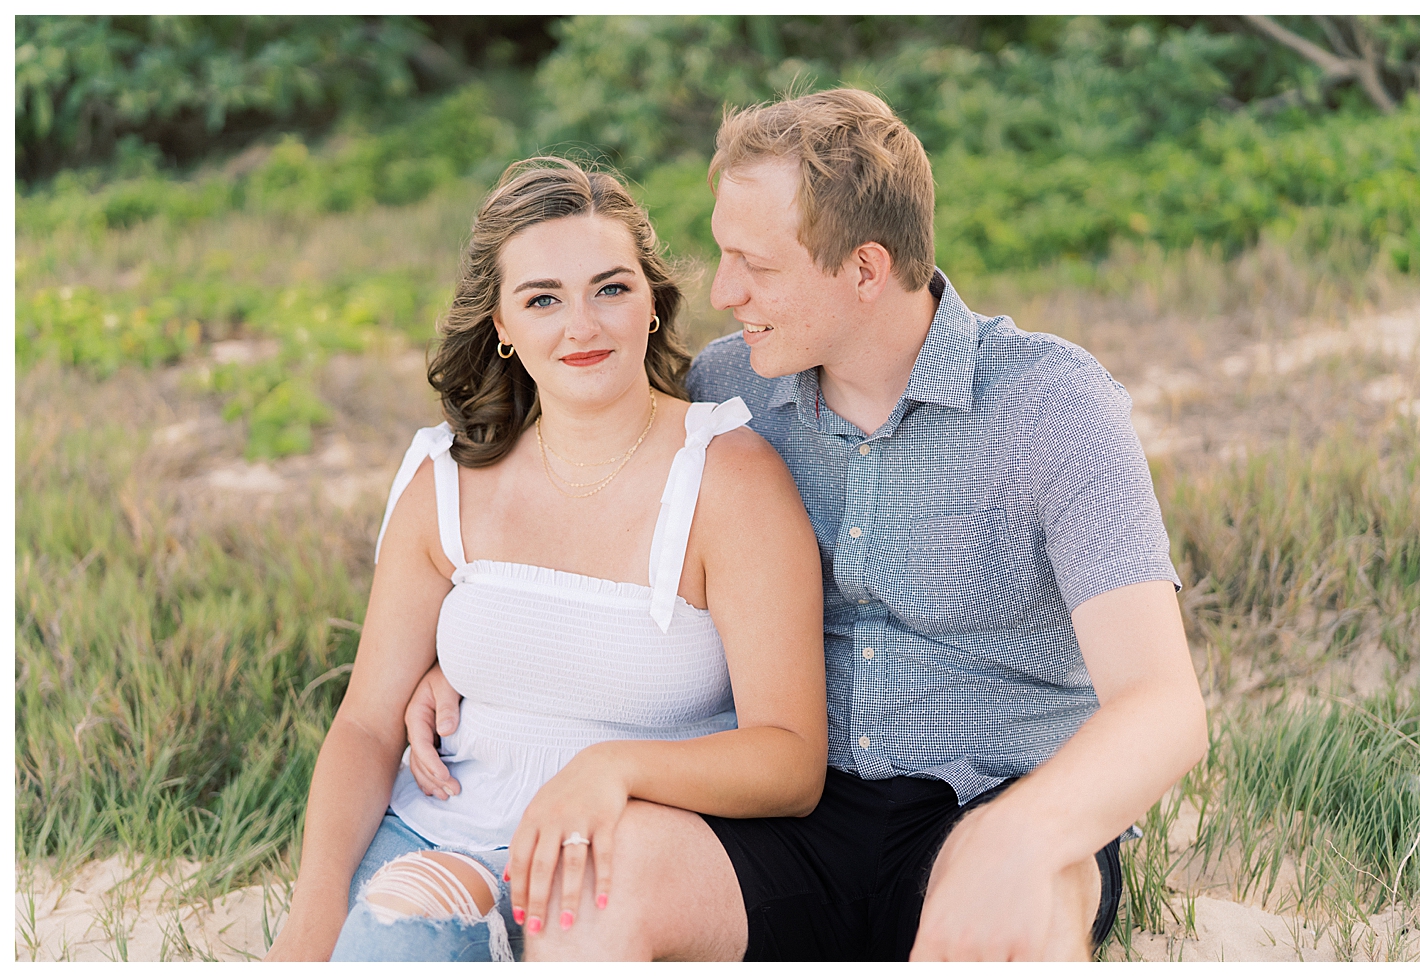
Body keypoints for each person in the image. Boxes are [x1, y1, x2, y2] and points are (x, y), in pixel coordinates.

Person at [406, 89, 1209, 961]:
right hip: (785, 814)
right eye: (722, 253)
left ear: (865, 269)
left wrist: (1019, 833)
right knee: (593, 886)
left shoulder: (1052, 405)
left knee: (1019, 911)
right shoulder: (725, 393)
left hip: (993, 800)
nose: (720, 290)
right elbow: (586, 517)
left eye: (756, 264)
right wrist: (460, 662)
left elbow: (1163, 706)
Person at [265, 157, 827, 962]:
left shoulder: (728, 479)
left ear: (653, 303)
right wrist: (309, 920)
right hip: (432, 841)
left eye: (611, 288)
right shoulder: (446, 480)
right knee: (404, 930)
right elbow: (363, 722)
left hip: (622, 866)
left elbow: (790, 758)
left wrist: (611, 768)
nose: (583, 326)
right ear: (500, 323)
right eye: (542, 299)